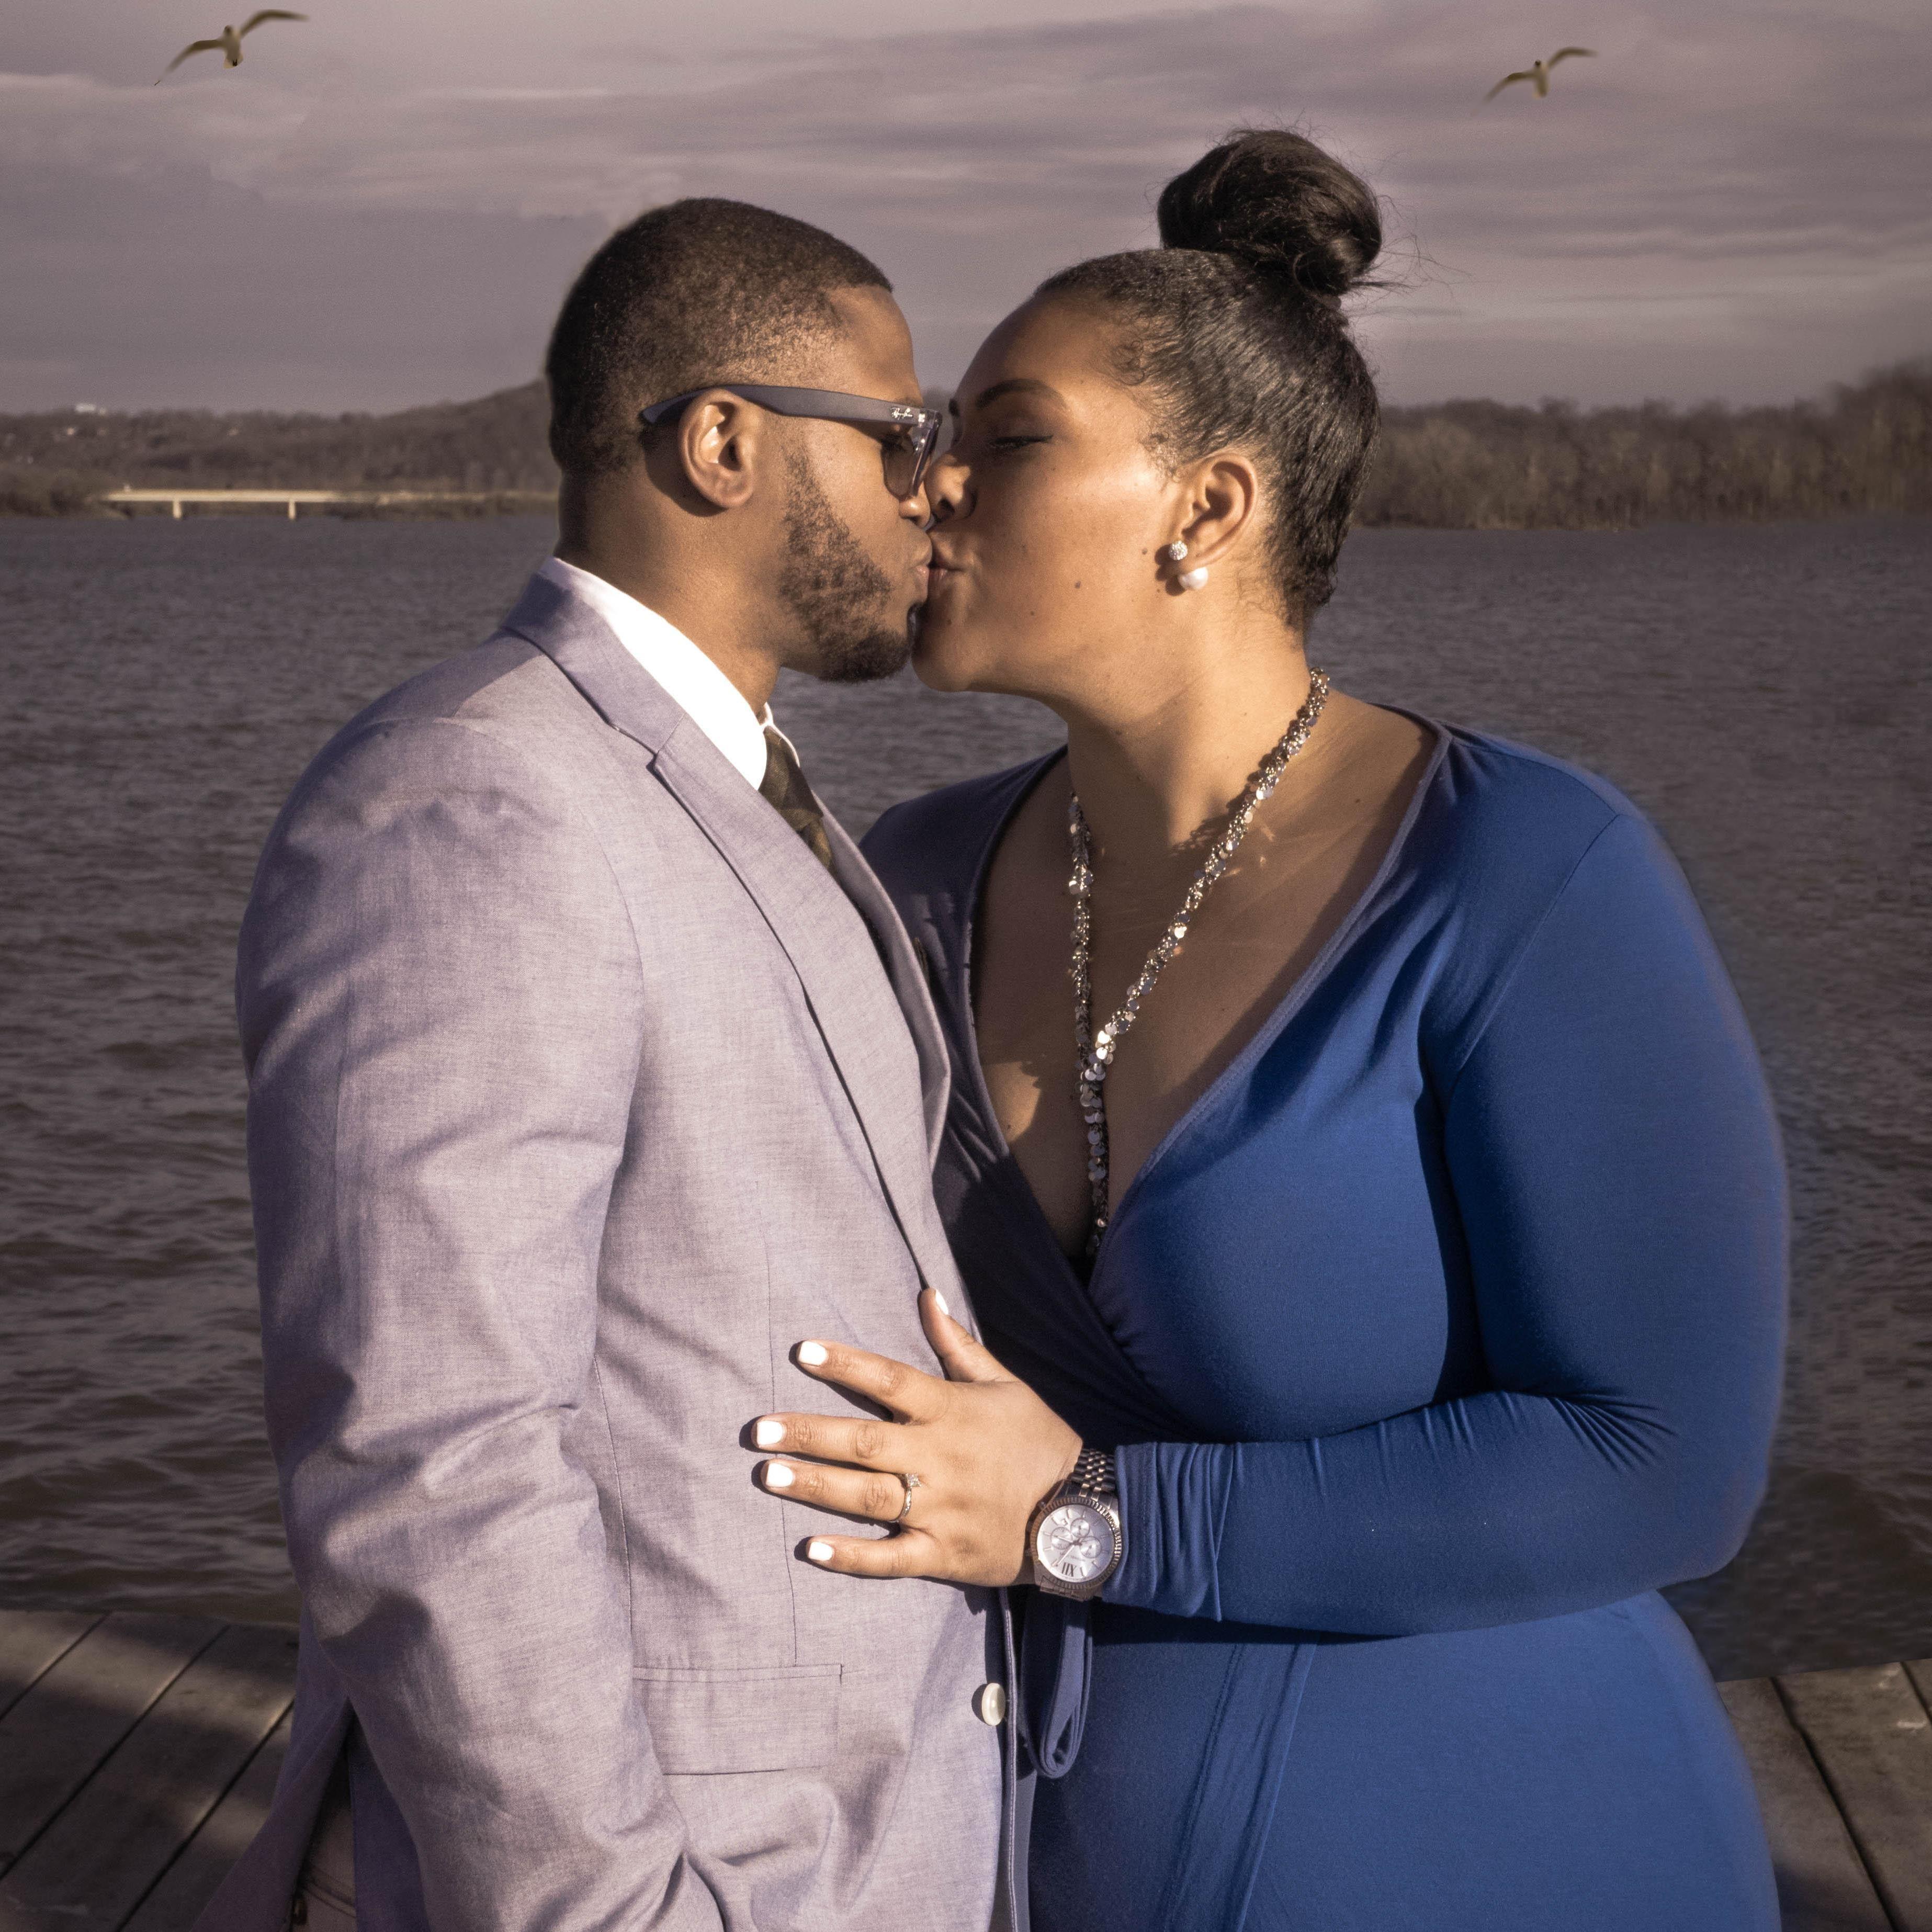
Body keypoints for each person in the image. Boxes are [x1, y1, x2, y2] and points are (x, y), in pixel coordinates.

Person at [745, 132, 1788, 1930]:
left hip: (1518, 1863)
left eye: (1006, 439)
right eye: (936, 442)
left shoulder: (1523, 876)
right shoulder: (910, 881)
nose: (929, 491)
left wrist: (1091, 1519)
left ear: (1206, 509)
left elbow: (1663, 1465)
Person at [198, 199, 1019, 1932]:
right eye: (900, 434)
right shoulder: (472, 801)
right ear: (724, 442)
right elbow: (426, 1453)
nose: (934, 485)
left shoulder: (726, 784)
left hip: (859, 1851)